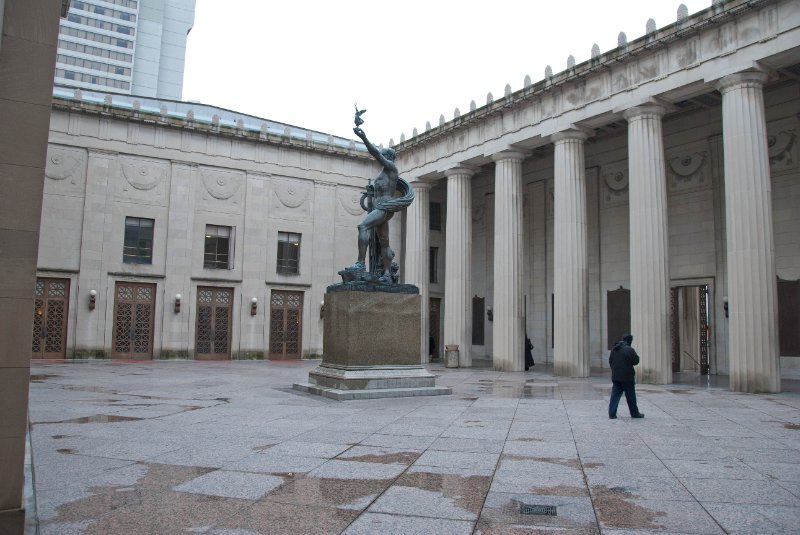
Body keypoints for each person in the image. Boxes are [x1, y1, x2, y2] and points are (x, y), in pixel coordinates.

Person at [348, 123, 399, 283]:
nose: (380, 158)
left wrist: (363, 137)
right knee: (384, 241)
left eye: (383, 156)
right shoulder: (383, 173)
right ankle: (386, 274)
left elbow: (374, 152)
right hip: (380, 207)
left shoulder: (391, 167)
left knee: (362, 226)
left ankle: (360, 263)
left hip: (384, 208)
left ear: (388, 157)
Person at [608, 333, 644, 419]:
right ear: (630, 340)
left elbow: (610, 361)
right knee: (631, 396)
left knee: (615, 395)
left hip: (616, 376)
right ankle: (634, 413)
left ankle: (612, 414)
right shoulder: (629, 350)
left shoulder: (615, 349)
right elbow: (636, 361)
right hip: (627, 377)